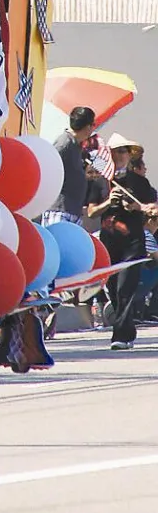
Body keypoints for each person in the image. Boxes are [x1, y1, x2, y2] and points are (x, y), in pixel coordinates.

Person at [93, 133, 158, 350]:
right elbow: (92, 211)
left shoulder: (139, 182)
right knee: (113, 288)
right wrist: (108, 202)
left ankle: (121, 335)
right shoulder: (101, 181)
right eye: (116, 152)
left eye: (123, 151)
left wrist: (138, 208)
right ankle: (126, 330)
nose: (120, 156)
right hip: (109, 242)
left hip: (133, 242)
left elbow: (153, 206)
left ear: (130, 156)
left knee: (125, 288)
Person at [45, 105, 97, 225]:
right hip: (60, 209)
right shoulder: (65, 143)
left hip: (74, 210)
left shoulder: (77, 147)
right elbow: (50, 166)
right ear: (87, 126)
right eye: (93, 125)